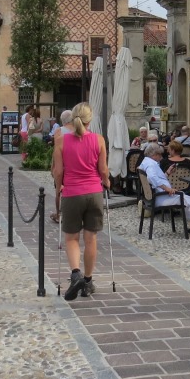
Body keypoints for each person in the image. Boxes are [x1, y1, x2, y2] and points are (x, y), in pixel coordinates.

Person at [50, 102, 110, 301]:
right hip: (94, 192)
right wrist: (107, 181)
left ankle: (75, 273)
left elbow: (58, 172)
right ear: (89, 119)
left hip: (72, 193)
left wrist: (59, 188)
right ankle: (87, 281)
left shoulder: (61, 141)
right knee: (91, 238)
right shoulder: (99, 140)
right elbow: (103, 170)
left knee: (71, 238)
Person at [139, 142, 190, 231]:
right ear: (154, 155)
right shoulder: (151, 164)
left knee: (187, 200)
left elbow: (156, 179)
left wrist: (167, 173)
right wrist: (168, 189)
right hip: (161, 197)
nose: (161, 157)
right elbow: (152, 178)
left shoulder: (146, 162)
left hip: (156, 196)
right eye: (160, 154)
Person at [49, 110, 73, 223]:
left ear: (62, 120)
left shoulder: (59, 131)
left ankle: (59, 214)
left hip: (61, 164)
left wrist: (52, 166)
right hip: (73, 165)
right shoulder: (78, 131)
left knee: (59, 190)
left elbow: (56, 151)